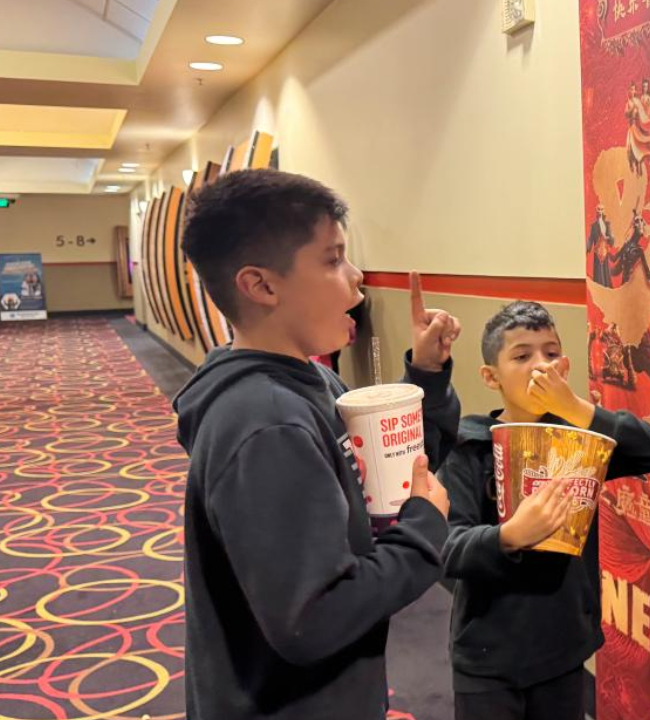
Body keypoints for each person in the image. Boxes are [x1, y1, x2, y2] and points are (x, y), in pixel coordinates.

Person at [173, 169, 463, 720]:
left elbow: (382, 478)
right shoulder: (267, 422)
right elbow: (314, 618)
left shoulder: (307, 382)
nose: (355, 279)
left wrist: (426, 375)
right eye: (332, 260)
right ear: (261, 285)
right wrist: (426, 530)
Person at [440, 300, 650, 720]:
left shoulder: (583, 442)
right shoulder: (471, 449)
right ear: (490, 376)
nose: (540, 366)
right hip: (488, 657)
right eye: (522, 355)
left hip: (563, 647)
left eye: (551, 354)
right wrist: (507, 535)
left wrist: (576, 410)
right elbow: (447, 549)